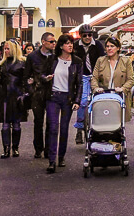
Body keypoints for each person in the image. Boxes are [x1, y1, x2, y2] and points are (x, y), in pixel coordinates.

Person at [40, 33, 82, 173]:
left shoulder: (77, 61)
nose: (70, 45)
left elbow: (79, 83)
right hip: (53, 96)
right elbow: (41, 75)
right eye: (67, 43)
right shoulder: (52, 59)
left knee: (64, 128)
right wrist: (46, 78)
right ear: (61, 45)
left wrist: (77, 100)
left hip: (67, 98)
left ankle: (61, 156)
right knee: (53, 127)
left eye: (72, 43)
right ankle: (52, 160)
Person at [0, 40, 28, 159]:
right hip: (5, 96)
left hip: (17, 95)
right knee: (5, 124)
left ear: (14, 49)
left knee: (16, 124)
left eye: (8, 49)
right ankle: (6, 148)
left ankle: (15, 148)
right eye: (5, 49)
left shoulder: (22, 63)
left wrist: (25, 94)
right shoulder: (2, 64)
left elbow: (25, 80)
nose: (6, 51)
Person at [24, 32, 56, 159]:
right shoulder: (33, 57)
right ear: (44, 42)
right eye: (51, 41)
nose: (54, 44)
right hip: (37, 93)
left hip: (52, 92)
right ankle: (38, 148)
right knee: (38, 122)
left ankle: (48, 149)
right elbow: (26, 76)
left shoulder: (55, 57)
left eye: (55, 41)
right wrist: (31, 91)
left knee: (51, 122)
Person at [73, 23, 106, 144]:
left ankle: (100, 127)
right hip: (82, 76)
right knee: (82, 102)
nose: (88, 37)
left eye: (90, 35)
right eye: (85, 35)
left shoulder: (97, 45)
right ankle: (80, 128)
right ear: (81, 35)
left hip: (95, 76)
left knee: (100, 100)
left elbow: (103, 59)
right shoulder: (76, 46)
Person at [92, 37, 134, 114]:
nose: (109, 48)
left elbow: (130, 80)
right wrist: (96, 88)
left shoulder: (126, 61)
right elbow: (94, 78)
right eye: (107, 46)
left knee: (118, 122)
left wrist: (123, 88)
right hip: (103, 97)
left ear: (118, 48)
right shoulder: (100, 61)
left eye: (112, 46)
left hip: (119, 98)